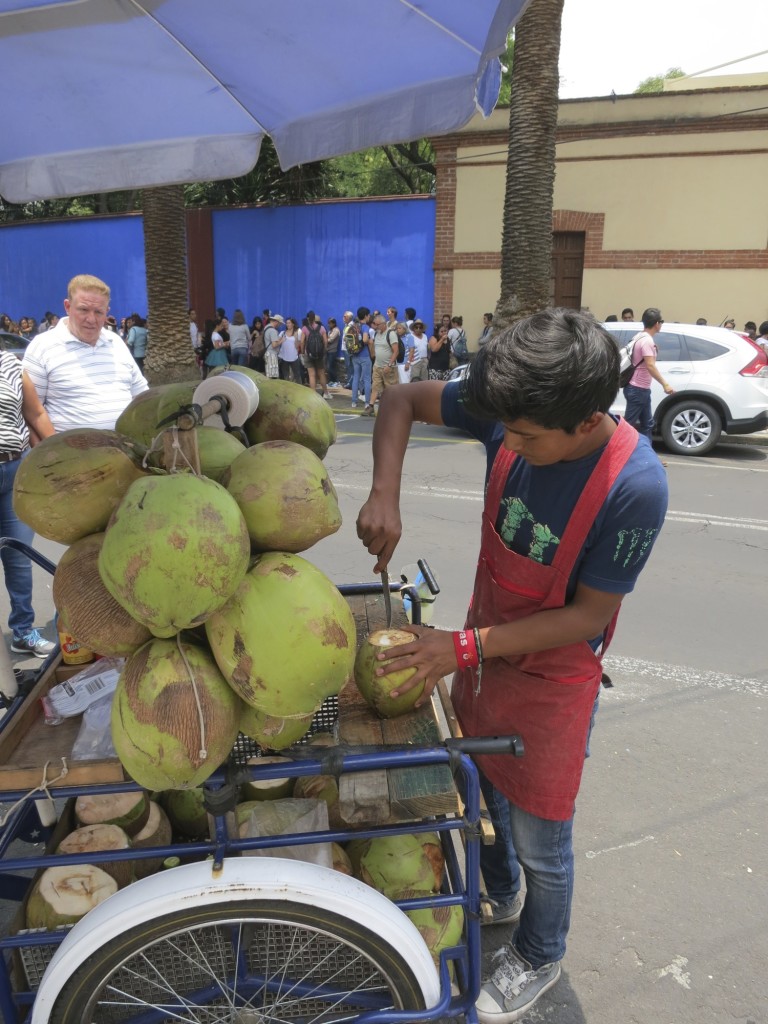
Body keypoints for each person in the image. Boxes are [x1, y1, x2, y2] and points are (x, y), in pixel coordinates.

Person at [355, 308, 668, 1023]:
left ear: (587, 422)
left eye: (527, 437)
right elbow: (402, 400)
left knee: (541, 839)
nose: (512, 445)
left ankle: (539, 950)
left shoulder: (635, 487)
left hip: (552, 681)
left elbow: (589, 616)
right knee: (484, 791)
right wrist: (384, 491)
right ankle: (495, 891)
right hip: (486, 651)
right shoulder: (513, 404)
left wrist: (461, 649)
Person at [22, 274, 148, 432]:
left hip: (125, 451)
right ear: (67, 307)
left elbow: (142, 397)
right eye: (83, 310)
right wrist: (52, 453)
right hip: (68, 454)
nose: (91, 319)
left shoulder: (116, 343)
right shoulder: (42, 347)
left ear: (107, 312)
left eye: (98, 312)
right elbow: (31, 413)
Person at [0, 348, 57, 657]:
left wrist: (62, 455)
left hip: (14, 472)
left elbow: (35, 414)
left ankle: (23, 631)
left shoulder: (11, 363)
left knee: (19, 559)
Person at [622, 307, 674, 445]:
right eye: (661, 321)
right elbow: (650, 365)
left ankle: (648, 456)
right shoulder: (647, 341)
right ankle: (616, 453)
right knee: (628, 426)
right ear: (657, 323)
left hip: (640, 389)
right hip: (637, 388)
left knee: (647, 424)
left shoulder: (640, 336)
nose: (661, 324)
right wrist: (665, 384)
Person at [368, 312, 399, 413]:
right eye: (374, 324)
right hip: (377, 366)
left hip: (389, 367)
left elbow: (396, 351)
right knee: (375, 386)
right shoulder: (377, 334)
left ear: (383, 324)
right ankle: (371, 406)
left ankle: (393, 409)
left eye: (377, 324)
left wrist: (389, 365)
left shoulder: (391, 334)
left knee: (391, 389)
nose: (375, 326)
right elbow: (374, 352)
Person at [347, 308, 373, 412]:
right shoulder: (365, 327)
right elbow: (366, 339)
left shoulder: (353, 326)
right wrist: (369, 341)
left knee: (356, 377)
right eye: (368, 315)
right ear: (366, 316)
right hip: (365, 355)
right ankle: (367, 402)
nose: (369, 317)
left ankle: (354, 401)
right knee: (367, 379)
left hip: (355, 355)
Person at [300, 315, 331, 399]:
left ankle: (313, 395)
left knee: (311, 375)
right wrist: (324, 351)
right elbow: (325, 341)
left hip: (308, 354)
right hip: (320, 355)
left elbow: (302, 342)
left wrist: (303, 352)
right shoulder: (322, 328)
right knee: (321, 373)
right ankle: (326, 393)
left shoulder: (304, 328)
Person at [278, 317, 303, 385]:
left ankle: (300, 389)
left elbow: (297, 346)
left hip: (294, 357)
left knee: (297, 375)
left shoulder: (298, 332)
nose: (287, 324)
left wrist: (296, 338)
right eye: (287, 323)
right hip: (284, 357)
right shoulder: (282, 333)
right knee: (285, 376)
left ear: (293, 324)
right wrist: (281, 340)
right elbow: (277, 343)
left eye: (289, 323)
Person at [263, 314, 283, 378]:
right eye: (280, 324)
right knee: (272, 375)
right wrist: (281, 341)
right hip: (272, 354)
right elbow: (274, 345)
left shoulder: (266, 327)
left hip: (267, 353)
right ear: (276, 322)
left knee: (268, 373)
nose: (279, 326)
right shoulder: (273, 331)